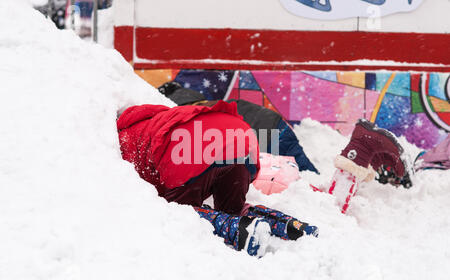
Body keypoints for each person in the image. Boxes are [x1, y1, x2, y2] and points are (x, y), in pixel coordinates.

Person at [117, 99, 406, 257]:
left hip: (237, 150)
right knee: (234, 206)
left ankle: (244, 232)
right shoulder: (167, 113)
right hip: (246, 138)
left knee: (180, 212)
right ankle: (290, 227)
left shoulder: (127, 140)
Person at [158, 81, 319, 174]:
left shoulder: (184, 111)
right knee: (305, 173)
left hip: (261, 135)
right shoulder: (206, 102)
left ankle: (322, 202)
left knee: (290, 178)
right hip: (275, 123)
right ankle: (326, 198)